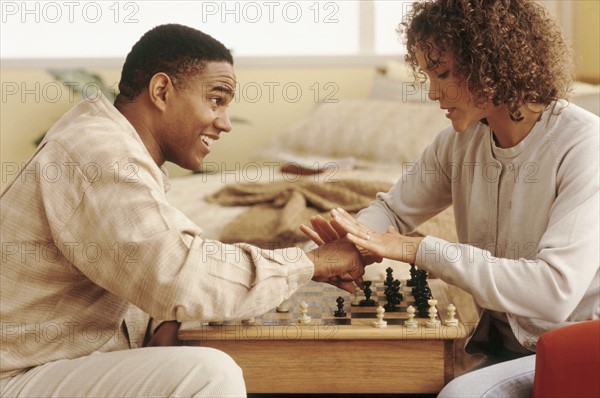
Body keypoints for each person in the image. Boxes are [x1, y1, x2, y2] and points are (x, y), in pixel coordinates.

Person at [0, 24, 365, 397]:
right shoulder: (101, 154)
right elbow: (181, 273)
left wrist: (162, 321)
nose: (224, 122)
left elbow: (143, 259)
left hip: (44, 365)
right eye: (216, 100)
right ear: (161, 91)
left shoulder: (112, 144)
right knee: (208, 374)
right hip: (16, 376)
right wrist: (311, 263)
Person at [302, 0, 599, 396]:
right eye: (427, 74)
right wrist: (347, 245)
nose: (432, 91)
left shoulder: (584, 145)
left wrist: (418, 250)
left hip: (573, 353)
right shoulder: (459, 143)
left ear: (492, 64)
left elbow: (553, 292)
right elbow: (393, 210)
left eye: (442, 73)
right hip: (502, 348)